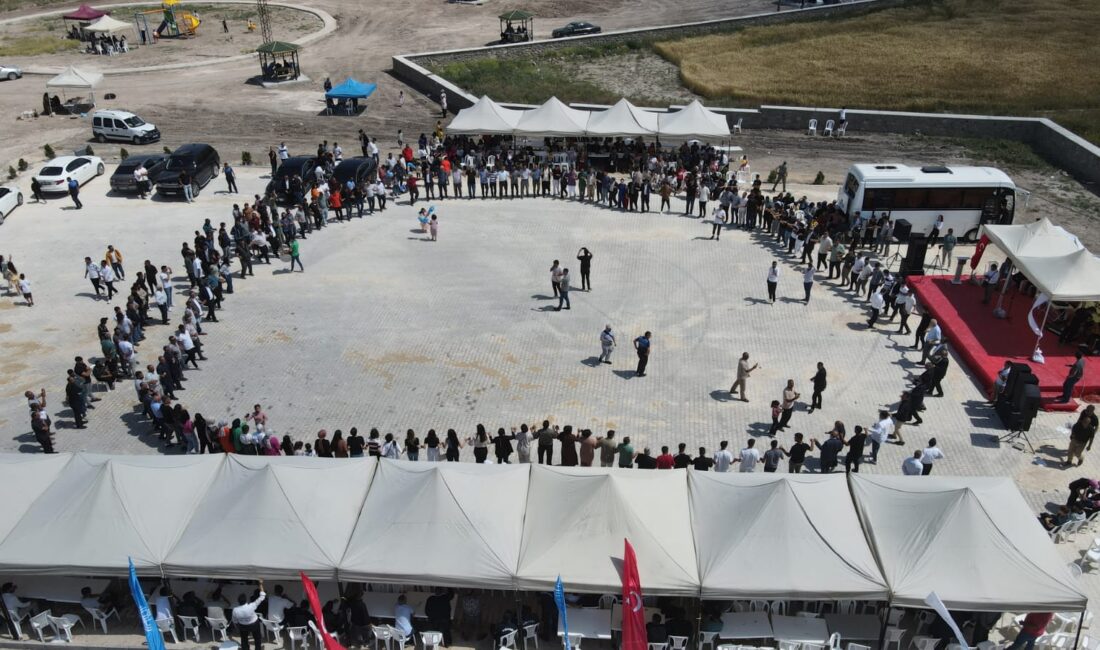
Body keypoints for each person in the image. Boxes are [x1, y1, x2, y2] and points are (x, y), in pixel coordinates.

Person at [232, 581, 266, 650]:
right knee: (257, 638)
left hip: (243, 626)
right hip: (254, 624)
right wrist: (260, 584)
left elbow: (235, 621)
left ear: (238, 601)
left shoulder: (235, 610)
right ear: (246, 600)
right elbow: (262, 596)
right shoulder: (251, 606)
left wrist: (238, 628)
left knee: (244, 640)